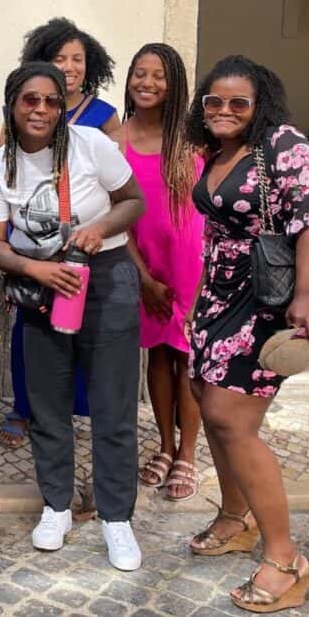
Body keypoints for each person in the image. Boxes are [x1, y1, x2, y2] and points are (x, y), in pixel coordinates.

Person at [185, 55, 309, 612]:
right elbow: (217, 230)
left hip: (264, 299)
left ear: (260, 105)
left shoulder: (286, 146)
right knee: (208, 406)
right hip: (217, 298)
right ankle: (235, 518)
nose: (223, 111)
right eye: (214, 102)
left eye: (238, 103)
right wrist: (199, 301)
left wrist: (305, 295)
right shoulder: (220, 151)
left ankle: (285, 558)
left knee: (234, 419)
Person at [0, 62, 146, 571]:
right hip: (41, 287)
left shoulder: (91, 144)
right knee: (48, 405)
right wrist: (37, 268)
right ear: (12, 104)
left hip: (106, 279)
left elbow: (133, 201)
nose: (41, 110)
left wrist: (99, 229)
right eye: (30, 100)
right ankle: (56, 507)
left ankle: (116, 518)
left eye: (51, 101)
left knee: (113, 404)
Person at [0, 17, 119, 447]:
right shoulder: (24, 105)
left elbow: (117, 183)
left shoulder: (103, 116)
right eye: (59, 58)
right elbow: (4, 162)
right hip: (30, 234)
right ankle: (25, 407)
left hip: (84, 242)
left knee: (77, 322)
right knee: (28, 323)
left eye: (77, 59)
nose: (69, 66)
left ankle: (70, 408)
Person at [113, 44, 205, 502]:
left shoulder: (194, 139)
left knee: (187, 355)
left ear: (175, 85)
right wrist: (143, 276)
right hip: (142, 261)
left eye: (159, 75)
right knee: (158, 356)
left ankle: (188, 453)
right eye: (139, 74)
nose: (147, 83)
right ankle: (165, 446)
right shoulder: (118, 138)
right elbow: (116, 212)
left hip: (191, 264)